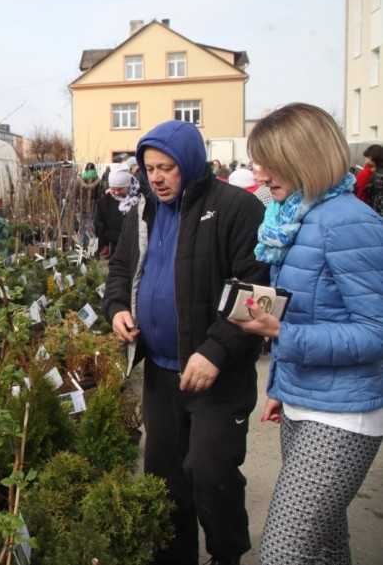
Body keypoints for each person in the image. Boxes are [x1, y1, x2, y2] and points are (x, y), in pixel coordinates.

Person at [102, 120, 269, 565]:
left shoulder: (236, 208)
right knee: (166, 477)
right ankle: (173, 557)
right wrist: (117, 307)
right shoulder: (145, 212)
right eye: (149, 168)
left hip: (218, 375)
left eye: (167, 167)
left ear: (190, 165)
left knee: (210, 471)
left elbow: (253, 291)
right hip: (160, 370)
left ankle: (226, 554)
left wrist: (214, 352)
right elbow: (120, 270)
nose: (156, 177)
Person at [229, 103, 383, 565]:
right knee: (326, 548)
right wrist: (282, 384)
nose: (258, 171)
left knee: (282, 552)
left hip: (343, 415)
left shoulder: (348, 222)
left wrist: (281, 335)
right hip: (306, 400)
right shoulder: (297, 218)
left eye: (268, 159)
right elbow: (314, 310)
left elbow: (375, 330)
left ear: (305, 157)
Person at [93, 166, 135, 256]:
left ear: (128, 186)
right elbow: (100, 228)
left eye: (120, 189)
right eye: (113, 189)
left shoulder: (139, 199)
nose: (116, 193)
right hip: (117, 251)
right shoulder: (104, 203)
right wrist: (119, 237)